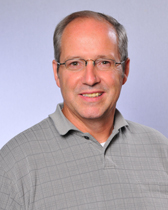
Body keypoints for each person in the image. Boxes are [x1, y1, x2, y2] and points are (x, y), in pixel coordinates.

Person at [0, 10, 168, 210]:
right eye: (75, 63)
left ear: (125, 70)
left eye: (104, 62)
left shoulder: (161, 150)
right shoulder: (13, 163)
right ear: (57, 73)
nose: (90, 79)